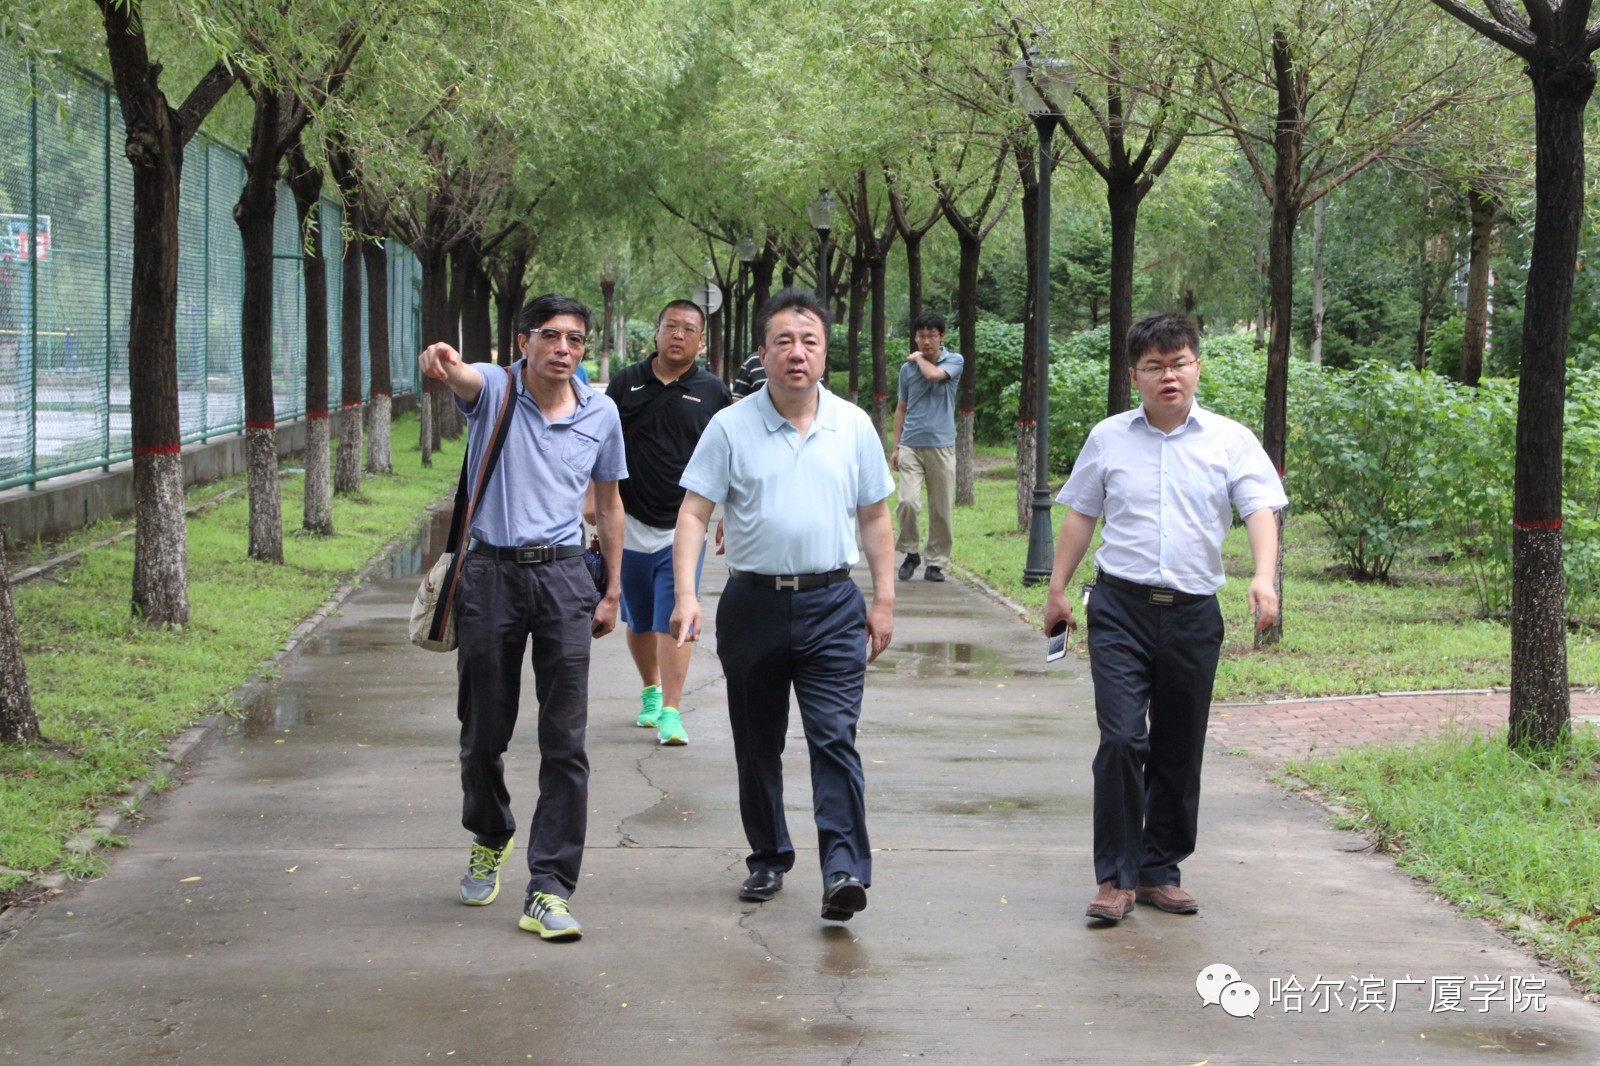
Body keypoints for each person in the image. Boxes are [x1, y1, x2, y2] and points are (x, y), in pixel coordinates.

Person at [1043, 312, 1285, 923]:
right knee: (1122, 739)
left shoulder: (1229, 440)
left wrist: (1262, 576)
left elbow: (1259, 508)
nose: (1168, 376)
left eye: (1178, 363)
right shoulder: (1108, 438)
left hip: (1193, 614)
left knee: (1179, 745)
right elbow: (1080, 515)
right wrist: (1057, 589)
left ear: (1197, 366)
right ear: (1135, 376)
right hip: (1120, 607)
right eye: (1154, 367)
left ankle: (1159, 870)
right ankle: (1116, 878)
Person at [671, 288, 894, 922]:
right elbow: (694, 513)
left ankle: (844, 868)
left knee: (833, 739)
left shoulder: (852, 425)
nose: (797, 353)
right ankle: (768, 855)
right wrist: (687, 594)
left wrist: (883, 600)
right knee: (756, 741)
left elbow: (876, 517)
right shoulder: (730, 426)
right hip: (753, 605)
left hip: (831, 606)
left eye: (810, 342)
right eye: (784, 342)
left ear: (825, 352)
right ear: (763, 352)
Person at [417, 293, 626, 943]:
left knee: (565, 740)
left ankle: (550, 887)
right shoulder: (497, 389)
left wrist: (612, 588)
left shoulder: (602, 412)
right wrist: (442, 362)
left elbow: (611, 504)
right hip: (491, 576)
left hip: (565, 577)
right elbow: (461, 374)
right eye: (551, 336)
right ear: (523, 340)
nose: (564, 349)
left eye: (576, 339)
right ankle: (490, 831)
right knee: (483, 732)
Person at [607, 299, 731, 745]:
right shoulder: (626, 382)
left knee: (677, 615)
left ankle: (673, 713)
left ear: (701, 340)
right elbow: (601, 445)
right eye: (671, 326)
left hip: (684, 525)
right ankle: (652, 691)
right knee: (639, 620)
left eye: (688, 329)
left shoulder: (714, 392)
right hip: (628, 520)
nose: (678, 335)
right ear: (656, 332)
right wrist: (591, 500)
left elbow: (729, 456)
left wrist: (728, 512)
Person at [891, 311, 963, 583]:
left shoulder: (954, 361)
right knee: (908, 502)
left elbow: (933, 375)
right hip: (910, 445)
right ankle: (911, 552)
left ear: (941, 337)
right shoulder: (906, 370)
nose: (926, 341)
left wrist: (919, 357)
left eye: (931, 336)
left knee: (940, 508)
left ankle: (936, 562)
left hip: (941, 446)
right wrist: (896, 446)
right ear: (915, 337)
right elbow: (900, 409)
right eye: (921, 336)